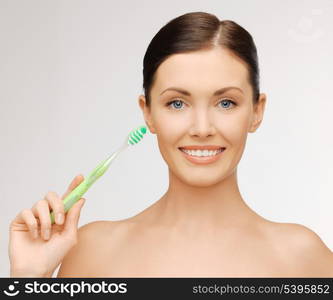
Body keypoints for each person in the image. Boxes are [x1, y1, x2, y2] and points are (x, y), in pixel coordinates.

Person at [9, 11, 333, 278]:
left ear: (256, 111)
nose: (202, 129)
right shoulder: (92, 251)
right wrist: (27, 279)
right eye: (177, 103)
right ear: (148, 113)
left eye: (226, 103)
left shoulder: (302, 259)